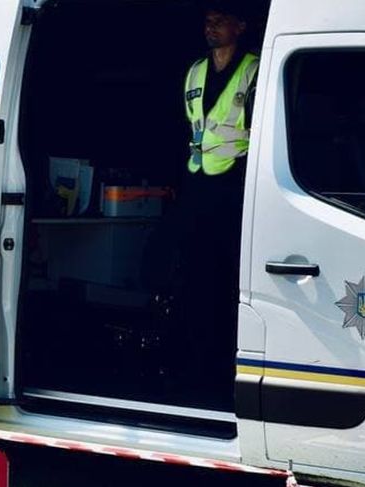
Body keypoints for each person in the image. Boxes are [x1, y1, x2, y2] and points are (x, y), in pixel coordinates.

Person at [145, 1, 259, 405]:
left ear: (239, 26)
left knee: (230, 281)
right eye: (208, 21)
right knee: (193, 279)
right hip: (196, 186)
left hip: (237, 186)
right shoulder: (194, 71)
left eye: (220, 21)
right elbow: (183, 128)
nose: (211, 27)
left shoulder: (254, 69)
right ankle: (192, 368)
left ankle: (222, 368)